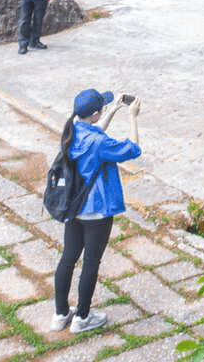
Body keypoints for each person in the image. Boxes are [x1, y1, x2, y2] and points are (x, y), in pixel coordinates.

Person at [51, 89, 141, 334]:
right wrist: (132, 116)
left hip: (73, 208)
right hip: (97, 212)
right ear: (94, 114)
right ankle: (82, 318)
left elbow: (94, 131)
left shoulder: (70, 131)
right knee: (90, 263)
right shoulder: (99, 143)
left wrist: (112, 110)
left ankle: (60, 315)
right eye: (102, 108)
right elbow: (132, 150)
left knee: (68, 259)